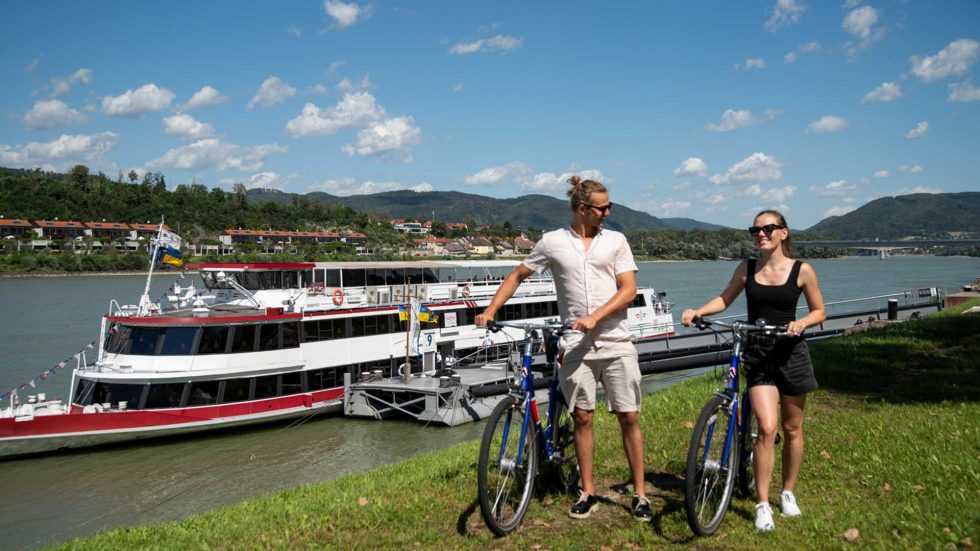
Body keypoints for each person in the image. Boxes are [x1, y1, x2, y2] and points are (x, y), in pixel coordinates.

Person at [474, 175, 652, 522]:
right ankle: (587, 491)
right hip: (575, 344)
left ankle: (640, 494)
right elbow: (517, 275)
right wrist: (491, 310)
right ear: (583, 209)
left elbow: (628, 289)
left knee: (628, 416)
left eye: (608, 206)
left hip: (615, 340)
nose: (608, 212)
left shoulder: (616, 240)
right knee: (582, 416)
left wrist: (595, 316)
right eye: (603, 208)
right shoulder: (552, 242)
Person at [681, 210, 826, 532]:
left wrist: (801, 322)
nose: (761, 234)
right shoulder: (747, 268)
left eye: (768, 229)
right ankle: (762, 503)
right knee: (767, 427)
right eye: (755, 230)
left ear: (784, 233)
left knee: (792, 429)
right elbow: (725, 298)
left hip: (791, 352)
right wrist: (698, 311)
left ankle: (787, 492)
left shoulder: (802, 271)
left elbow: (820, 310)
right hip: (758, 353)